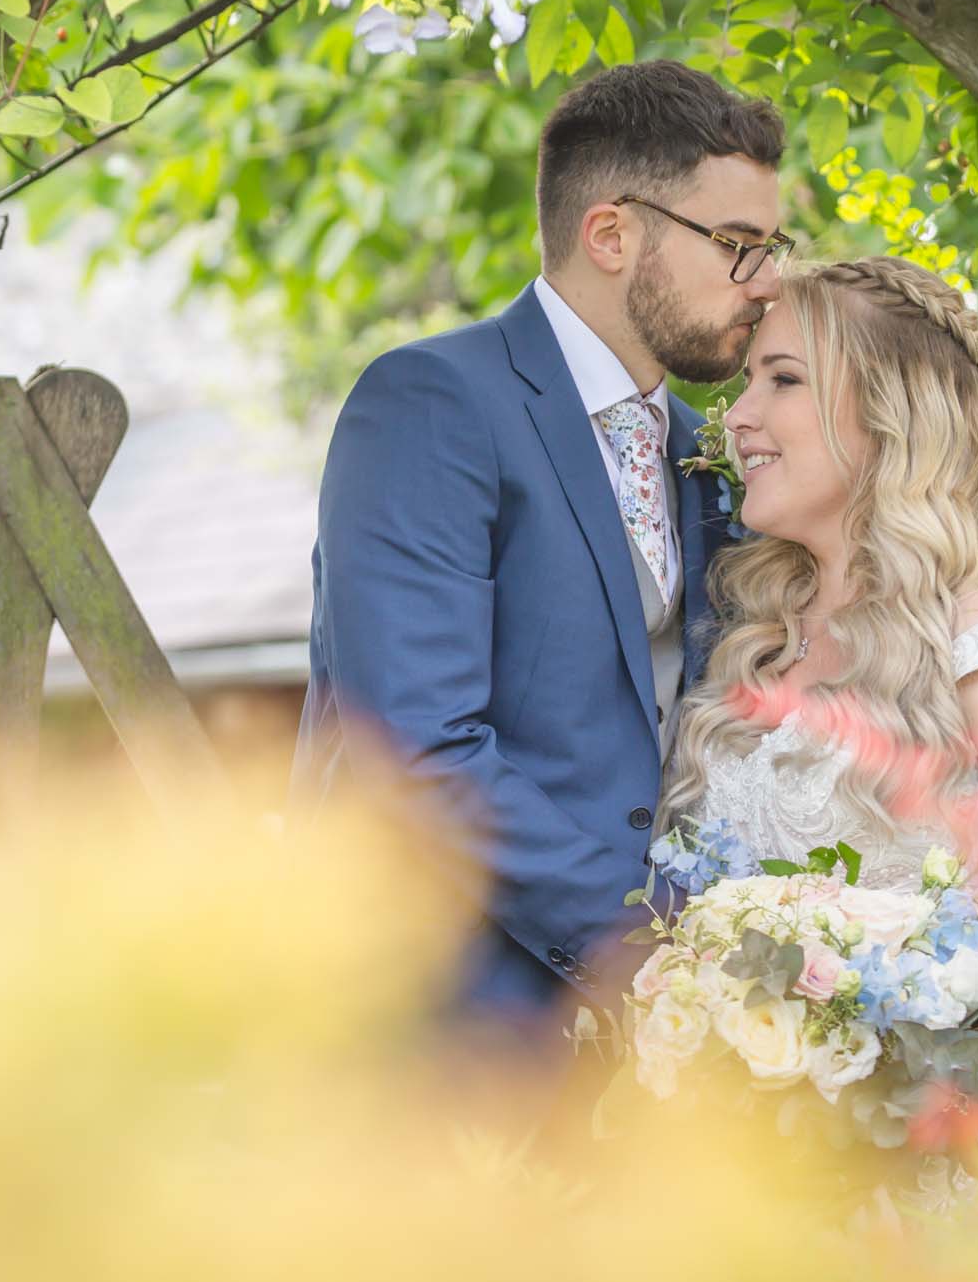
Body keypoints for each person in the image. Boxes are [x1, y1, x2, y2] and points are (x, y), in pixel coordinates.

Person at [664, 255, 978, 1208]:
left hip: (940, 1190)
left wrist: (941, 1108)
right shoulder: (762, 641)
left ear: (893, 412)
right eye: (746, 383)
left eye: (782, 379)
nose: (735, 416)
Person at [294, 60, 789, 1034]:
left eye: (771, 248)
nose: (766, 283)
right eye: (736, 245)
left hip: (648, 1050)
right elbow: (415, 743)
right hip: (438, 1010)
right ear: (611, 233)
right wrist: (652, 950)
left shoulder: (708, 451)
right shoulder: (433, 403)